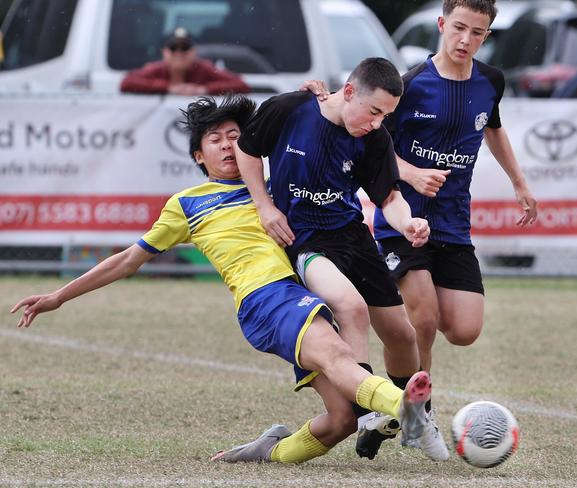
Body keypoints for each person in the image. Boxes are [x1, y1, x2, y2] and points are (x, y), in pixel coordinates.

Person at [10, 95, 437, 465]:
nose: (228, 145)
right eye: (215, 140)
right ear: (199, 156)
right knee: (337, 355)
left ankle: (268, 450)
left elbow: (322, 127)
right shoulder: (187, 204)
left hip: (300, 295)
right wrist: (59, 296)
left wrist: (315, 94)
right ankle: (404, 409)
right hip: (265, 299)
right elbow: (126, 261)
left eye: (235, 136)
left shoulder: (271, 185)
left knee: (340, 420)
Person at [234, 57, 449, 461]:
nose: (376, 122)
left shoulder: (374, 138)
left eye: (385, 115)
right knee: (350, 306)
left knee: (402, 335)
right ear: (348, 92)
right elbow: (247, 150)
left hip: (353, 237)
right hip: (304, 241)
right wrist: (264, 206)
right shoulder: (288, 109)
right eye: (373, 111)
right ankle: (370, 413)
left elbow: (389, 197)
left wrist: (408, 225)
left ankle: (419, 421)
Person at [365, 0, 538, 457]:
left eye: (477, 33)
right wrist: (410, 173)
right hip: (403, 222)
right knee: (423, 316)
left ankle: (389, 396)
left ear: (486, 36)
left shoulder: (490, 82)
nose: (465, 40)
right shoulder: (411, 86)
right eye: (459, 28)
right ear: (442, 25)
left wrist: (519, 183)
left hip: (453, 226)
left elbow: (493, 128)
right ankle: (417, 413)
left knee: (463, 329)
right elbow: (374, 148)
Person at [120, 27, 250, 96]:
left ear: (193, 52)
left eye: (185, 48)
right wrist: (169, 88)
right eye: (173, 48)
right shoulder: (157, 69)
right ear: (165, 52)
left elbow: (241, 85)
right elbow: (126, 83)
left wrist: (203, 90)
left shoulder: (204, 68)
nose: (179, 53)